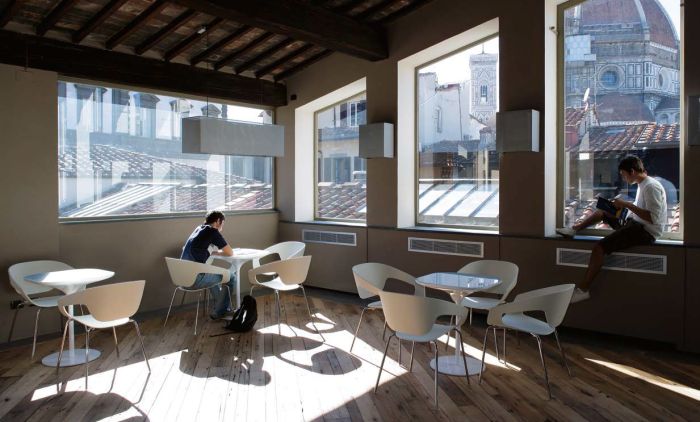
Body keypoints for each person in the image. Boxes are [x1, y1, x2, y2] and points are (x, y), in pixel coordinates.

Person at [558, 155, 667, 303]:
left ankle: (583, 290)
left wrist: (627, 205)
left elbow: (653, 218)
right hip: (634, 223)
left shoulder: (650, 187)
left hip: (645, 231)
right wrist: (621, 209)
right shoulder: (643, 184)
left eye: (623, 174)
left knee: (598, 249)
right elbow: (642, 210)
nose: (623, 178)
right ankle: (574, 229)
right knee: (603, 211)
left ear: (632, 171)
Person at [181, 210, 236, 319]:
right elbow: (230, 252)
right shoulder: (213, 231)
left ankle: (220, 309)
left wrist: (213, 252)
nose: (222, 227)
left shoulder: (198, 229)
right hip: (195, 279)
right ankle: (221, 312)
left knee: (212, 275)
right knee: (232, 277)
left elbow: (198, 249)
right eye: (222, 223)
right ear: (218, 221)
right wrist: (218, 251)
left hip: (182, 276)